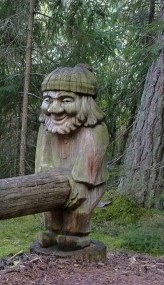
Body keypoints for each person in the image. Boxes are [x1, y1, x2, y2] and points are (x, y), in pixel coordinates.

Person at [34, 64, 109, 251]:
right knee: (51, 215)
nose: (54, 109)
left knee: (78, 215)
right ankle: (53, 232)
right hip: (53, 186)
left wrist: (79, 187)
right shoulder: (46, 129)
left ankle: (78, 236)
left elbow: (89, 167)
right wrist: (44, 185)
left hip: (84, 187)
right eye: (48, 100)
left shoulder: (95, 131)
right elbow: (42, 162)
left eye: (66, 100)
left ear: (85, 102)